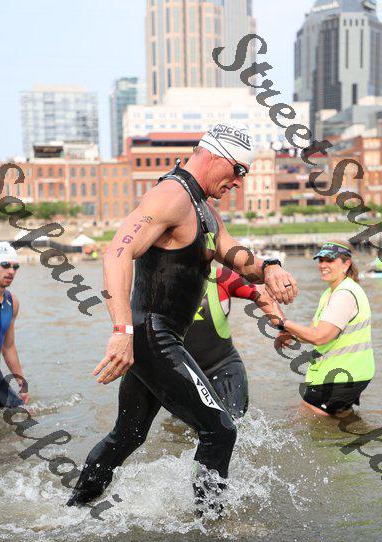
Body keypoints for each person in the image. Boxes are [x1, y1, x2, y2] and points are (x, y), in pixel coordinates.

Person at [67, 122, 298, 514]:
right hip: (151, 334)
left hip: (159, 338)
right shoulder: (170, 196)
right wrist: (122, 330)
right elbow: (116, 253)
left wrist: (271, 267)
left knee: (128, 436)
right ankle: (210, 526)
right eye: (238, 170)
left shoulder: (205, 211)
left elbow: (239, 259)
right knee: (220, 430)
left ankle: (72, 511)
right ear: (217, 157)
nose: (239, 182)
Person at [278, 241, 374, 418]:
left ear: (346, 264)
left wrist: (283, 322)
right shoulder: (331, 292)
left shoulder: (344, 294)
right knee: (340, 420)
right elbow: (314, 331)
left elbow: (320, 337)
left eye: (330, 260)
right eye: (320, 260)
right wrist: (291, 334)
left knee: (307, 416)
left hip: (340, 376)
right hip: (347, 374)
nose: (323, 265)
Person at [184, 265, 285, 419]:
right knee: (181, 429)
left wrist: (283, 327)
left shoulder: (220, 277)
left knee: (232, 423)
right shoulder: (157, 279)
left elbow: (260, 293)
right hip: (181, 375)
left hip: (222, 367)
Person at [0, 242, 29, 409]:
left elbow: (8, 347)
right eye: (5, 265)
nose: (11, 271)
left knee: (21, 412)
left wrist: (21, 382)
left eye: (15, 267)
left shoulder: (12, 302)